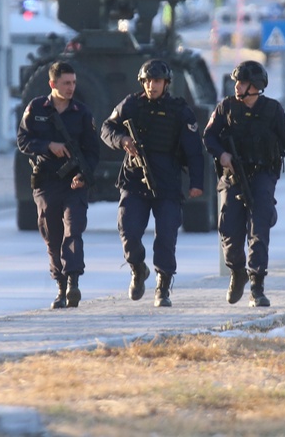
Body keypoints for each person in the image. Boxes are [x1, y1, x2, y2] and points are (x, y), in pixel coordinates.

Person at [203, 61, 285, 307]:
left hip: (263, 175)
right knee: (230, 229)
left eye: (242, 83)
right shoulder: (226, 108)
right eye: (236, 82)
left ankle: (257, 285)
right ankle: (237, 272)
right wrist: (222, 155)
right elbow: (209, 136)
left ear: (255, 87)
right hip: (232, 177)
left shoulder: (273, 110)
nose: (237, 87)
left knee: (259, 230)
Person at [100, 60, 206, 308]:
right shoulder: (131, 104)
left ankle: (163, 285)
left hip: (167, 182)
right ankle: (138, 268)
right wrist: (122, 139)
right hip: (134, 180)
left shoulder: (179, 110)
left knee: (167, 235)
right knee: (129, 229)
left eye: (156, 81)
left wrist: (196, 183)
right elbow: (106, 128)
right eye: (147, 81)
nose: (151, 86)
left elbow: (194, 151)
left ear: (166, 83)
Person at [16, 61, 100, 309]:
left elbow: (93, 152)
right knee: (52, 236)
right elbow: (23, 140)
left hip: (74, 183)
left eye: (73, 82)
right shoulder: (36, 109)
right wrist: (48, 146)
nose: (71, 87)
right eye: (66, 83)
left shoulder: (82, 113)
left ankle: (73, 282)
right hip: (46, 181)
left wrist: (83, 176)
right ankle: (60, 287)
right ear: (52, 84)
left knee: (73, 229)